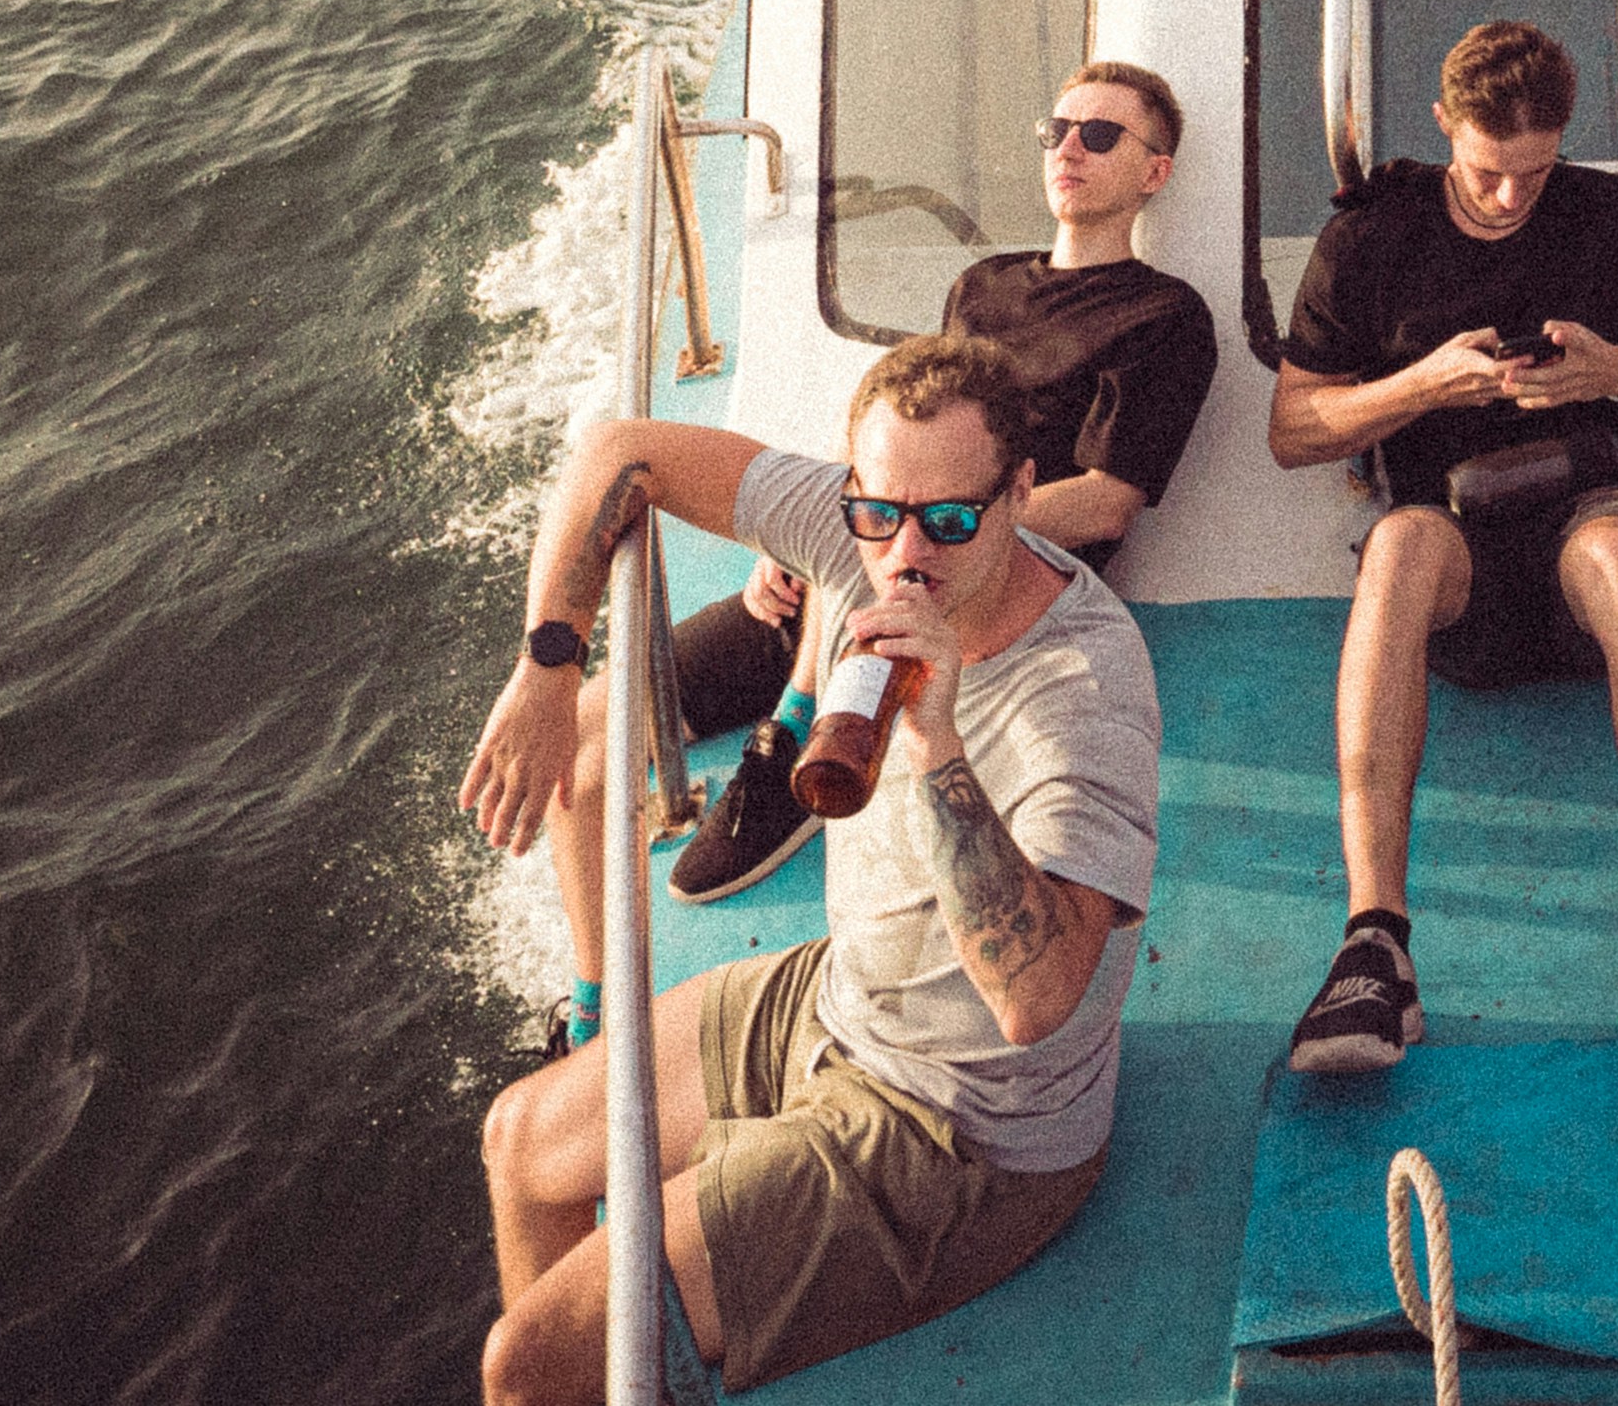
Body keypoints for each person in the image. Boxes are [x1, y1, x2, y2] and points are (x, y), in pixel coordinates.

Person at [461, 335, 1161, 1399]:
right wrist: (549, 667)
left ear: (1022, 490)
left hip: (965, 1128)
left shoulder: (1082, 690)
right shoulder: (854, 531)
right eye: (878, 512)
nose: (904, 555)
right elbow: (618, 450)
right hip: (846, 999)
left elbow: (1037, 999)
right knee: (519, 1143)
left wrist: (936, 739)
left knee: (524, 1362)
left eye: (949, 520)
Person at [526, 68, 1222, 940]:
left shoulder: (1163, 317)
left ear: (1155, 171)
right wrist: (813, 527)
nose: (1071, 147)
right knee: (584, 738)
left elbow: (1106, 504)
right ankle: (592, 1006)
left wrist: (916, 526)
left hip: (971, 598)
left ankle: (791, 738)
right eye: (1058, 128)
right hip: (860, 567)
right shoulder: (982, 286)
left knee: (883, 550)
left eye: (1102, 134)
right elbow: (897, 431)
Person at [1266, 19, 1618, 1084]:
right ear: (1444, 124)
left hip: (1593, 515)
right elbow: (1290, 429)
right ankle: (1372, 947)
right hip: (1449, 545)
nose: (1507, 196)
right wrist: (1422, 386)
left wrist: (1617, 374)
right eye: (1488, 171)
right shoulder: (1373, 236)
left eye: (1532, 172)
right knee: (1394, 547)